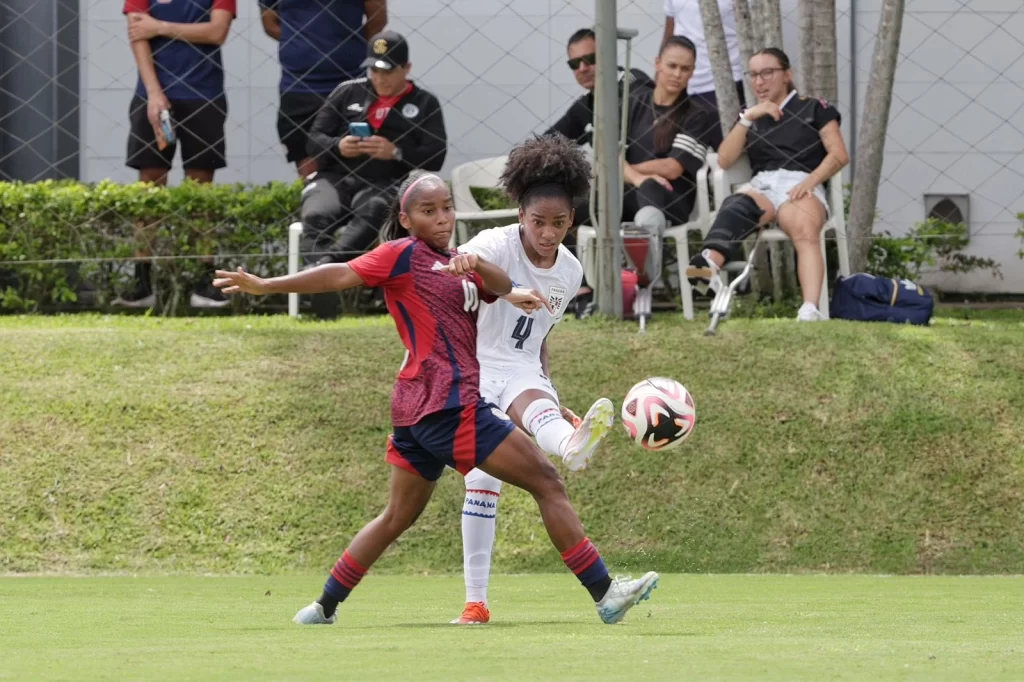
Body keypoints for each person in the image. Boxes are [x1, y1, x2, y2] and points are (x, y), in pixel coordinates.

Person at [212, 171, 659, 626]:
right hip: (448, 405)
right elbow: (341, 274)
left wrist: (481, 269)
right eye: (429, 211)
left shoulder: (454, 260)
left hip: (418, 409)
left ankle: (322, 607)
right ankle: (605, 593)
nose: (443, 218)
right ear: (406, 220)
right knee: (547, 480)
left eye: (447, 207)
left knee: (396, 517)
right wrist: (266, 285)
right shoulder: (402, 254)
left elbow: (501, 284)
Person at [450, 135, 616, 626]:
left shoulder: (569, 268)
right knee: (481, 479)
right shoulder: (495, 242)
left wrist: (552, 390)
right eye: (539, 222)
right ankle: (475, 602)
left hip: (521, 364)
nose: (548, 233)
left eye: (559, 223)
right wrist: (467, 264)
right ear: (521, 213)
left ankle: (571, 442)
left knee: (542, 409)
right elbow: (468, 262)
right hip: (477, 365)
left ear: (571, 222)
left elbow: (540, 337)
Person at [685, 48, 850, 322]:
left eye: (767, 73)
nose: (759, 82)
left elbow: (839, 154)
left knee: (804, 228)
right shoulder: (751, 115)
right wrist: (749, 117)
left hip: (801, 182)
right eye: (753, 75)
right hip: (763, 183)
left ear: (787, 74)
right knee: (737, 205)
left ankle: (810, 309)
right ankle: (708, 265)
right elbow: (725, 160)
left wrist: (810, 181)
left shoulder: (813, 108)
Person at [302, 30, 448, 319]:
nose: (378, 78)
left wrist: (396, 153)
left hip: (385, 182)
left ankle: (321, 276)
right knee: (315, 214)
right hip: (335, 178)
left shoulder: (424, 103)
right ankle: (322, 282)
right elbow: (313, 140)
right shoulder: (347, 91)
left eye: (387, 71)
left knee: (376, 210)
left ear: (406, 69)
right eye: (373, 70)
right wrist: (339, 146)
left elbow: (436, 156)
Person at [117, 0, 236, 309]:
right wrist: (154, 94)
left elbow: (217, 32)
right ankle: (142, 283)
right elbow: (137, 33)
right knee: (149, 189)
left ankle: (204, 281)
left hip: (204, 96)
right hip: (153, 96)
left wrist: (160, 27)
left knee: (200, 190)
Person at [545, 27, 653, 316]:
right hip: (610, 190)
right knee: (554, 209)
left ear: (606, 56)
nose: (582, 68)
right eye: (574, 63)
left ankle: (585, 291)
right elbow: (548, 140)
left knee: (560, 213)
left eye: (590, 59)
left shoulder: (634, 82)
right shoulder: (587, 104)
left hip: (647, 189)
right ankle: (579, 290)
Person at [259, 0, 388, 178]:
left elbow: (378, 20)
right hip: (298, 86)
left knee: (355, 162)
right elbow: (269, 23)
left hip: (349, 81)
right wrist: (303, 44)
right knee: (308, 171)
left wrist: (345, 46)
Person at [663, 0, 745, 150]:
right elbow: (671, 29)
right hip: (681, 86)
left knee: (723, 158)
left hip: (725, 85)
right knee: (678, 154)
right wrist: (660, 76)